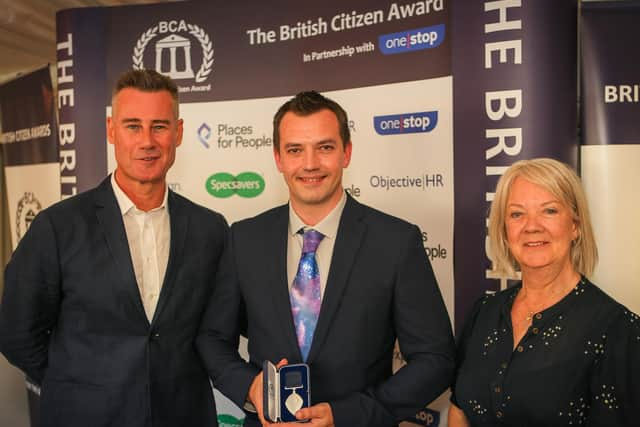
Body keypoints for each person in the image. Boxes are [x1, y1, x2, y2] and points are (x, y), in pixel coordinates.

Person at [196, 90, 455, 427]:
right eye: (294, 150)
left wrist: (348, 414)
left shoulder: (396, 242)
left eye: (325, 147)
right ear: (278, 158)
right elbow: (213, 338)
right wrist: (249, 386)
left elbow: (436, 360)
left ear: (346, 152)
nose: (310, 164)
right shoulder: (244, 238)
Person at [0, 69, 227, 427]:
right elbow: (16, 333)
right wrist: (78, 382)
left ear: (178, 133)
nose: (147, 141)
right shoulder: (57, 227)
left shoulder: (210, 228)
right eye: (133, 126)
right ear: (111, 130)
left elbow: (216, 330)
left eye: (160, 126)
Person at [448, 158, 640, 427]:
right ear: (504, 231)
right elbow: (459, 409)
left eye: (549, 211)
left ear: (575, 226)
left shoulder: (618, 330)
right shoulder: (485, 310)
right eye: (517, 214)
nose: (532, 226)